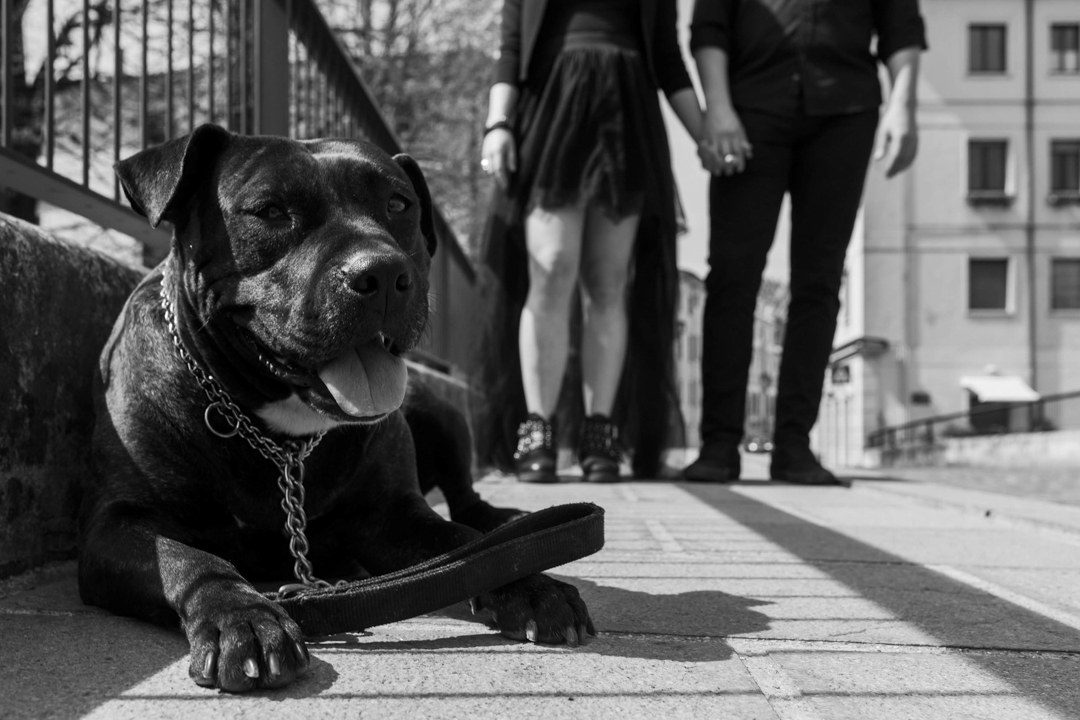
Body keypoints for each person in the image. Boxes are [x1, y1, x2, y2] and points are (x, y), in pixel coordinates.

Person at [684, 0, 927, 485]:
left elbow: (901, 28)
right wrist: (719, 107)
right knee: (733, 275)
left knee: (818, 280)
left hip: (846, 111)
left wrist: (903, 106)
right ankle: (718, 445)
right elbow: (709, 25)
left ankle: (794, 445)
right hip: (748, 109)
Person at [473, 0, 714, 484]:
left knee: (606, 282)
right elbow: (511, 49)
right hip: (554, 108)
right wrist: (498, 124)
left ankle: (599, 430)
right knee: (552, 265)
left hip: (626, 114)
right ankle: (537, 429)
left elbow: (668, 60)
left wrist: (706, 134)